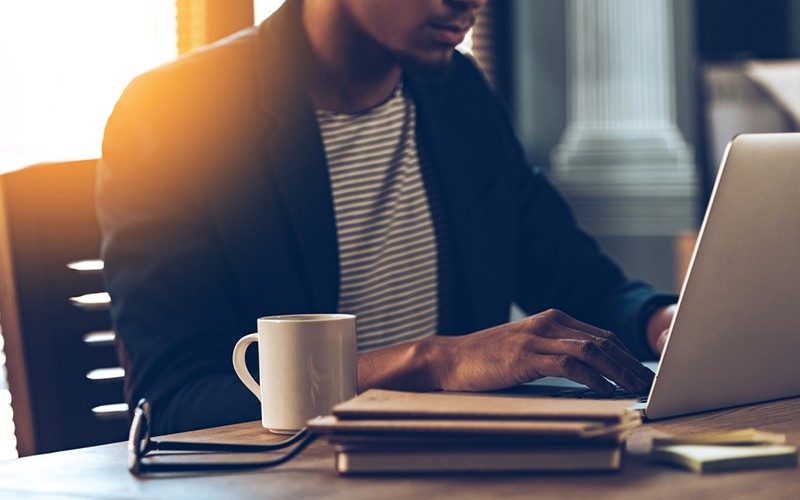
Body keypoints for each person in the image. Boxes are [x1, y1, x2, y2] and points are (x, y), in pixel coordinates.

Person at [97, 0, 677, 435]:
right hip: (289, 482)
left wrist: (665, 320)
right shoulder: (173, 112)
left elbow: (575, 279)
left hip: (457, 471)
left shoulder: (460, 94)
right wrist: (436, 361)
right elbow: (175, 400)